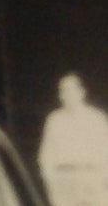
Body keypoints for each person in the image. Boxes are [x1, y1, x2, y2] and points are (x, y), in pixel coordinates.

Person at [40, 73, 108, 206]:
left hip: (92, 180)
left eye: (70, 90)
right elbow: (46, 155)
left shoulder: (97, 118)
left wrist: (103, 181)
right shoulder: (54, 120)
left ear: (82, 92)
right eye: (63, 91)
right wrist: (51, 183)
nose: (66, 95)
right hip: (64, 181)